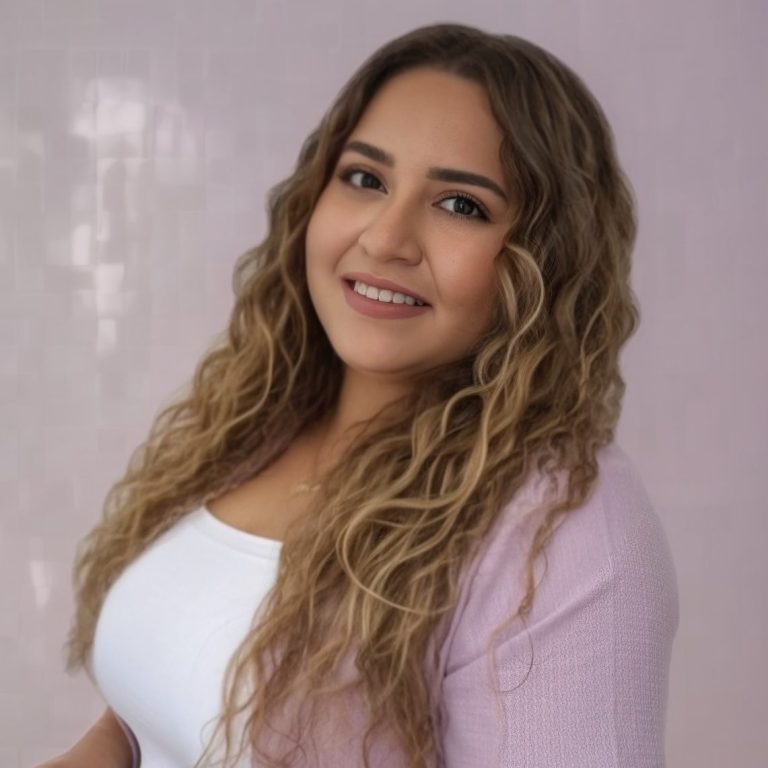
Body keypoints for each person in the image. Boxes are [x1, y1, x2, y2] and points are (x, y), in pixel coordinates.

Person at [38, 21, 679, 768]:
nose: (385, 239)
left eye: (460, 205)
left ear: (545, 261)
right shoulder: (258, 426)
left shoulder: (563, 528)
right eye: (366, 179)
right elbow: (147, 721)